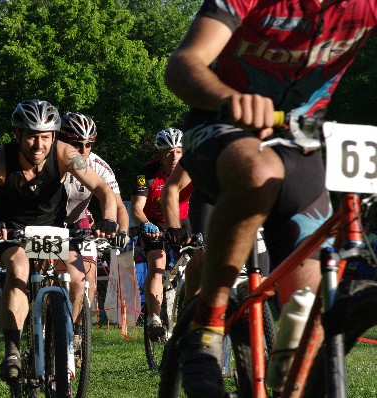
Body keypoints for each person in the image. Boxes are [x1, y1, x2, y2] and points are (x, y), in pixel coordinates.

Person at [163, 1, 377, 395]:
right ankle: (206, 327)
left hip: (302, 143)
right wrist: (230, 99)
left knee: (308, 320)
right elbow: (183, 65)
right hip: (221, 126)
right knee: (261, 171)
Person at [0, 99, 118, 382]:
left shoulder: (65, 154)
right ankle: (11, 350)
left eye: (45, 137)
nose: (39, 145)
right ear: (17, 134)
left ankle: (64, 340)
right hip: (11, 229)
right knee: (19, 269)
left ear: (54, 136)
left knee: (77, 277)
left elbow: (103, 189)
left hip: (53, 229)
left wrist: (108, 219)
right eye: (32, 136)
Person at [59, 111, 130, 344]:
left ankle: (78, 331)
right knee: (42, 273)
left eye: (89, 144)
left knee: (87, 275)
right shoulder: (49, 160)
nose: (83, 150)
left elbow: (118, 205)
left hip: (77, 221)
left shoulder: (99, 166)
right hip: (47, 222)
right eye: (77, 144)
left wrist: (120, 231)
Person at [130, 128, 192, 341]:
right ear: (159, 154)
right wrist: (145, 224)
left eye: (178, 151)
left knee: (196, 260)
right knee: (157, 264)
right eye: (168, 152)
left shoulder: (191, 170)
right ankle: (154, 320)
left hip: (183, 219)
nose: (173, 157)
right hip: (154, 222)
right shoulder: (146, 173)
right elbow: (137, 207)